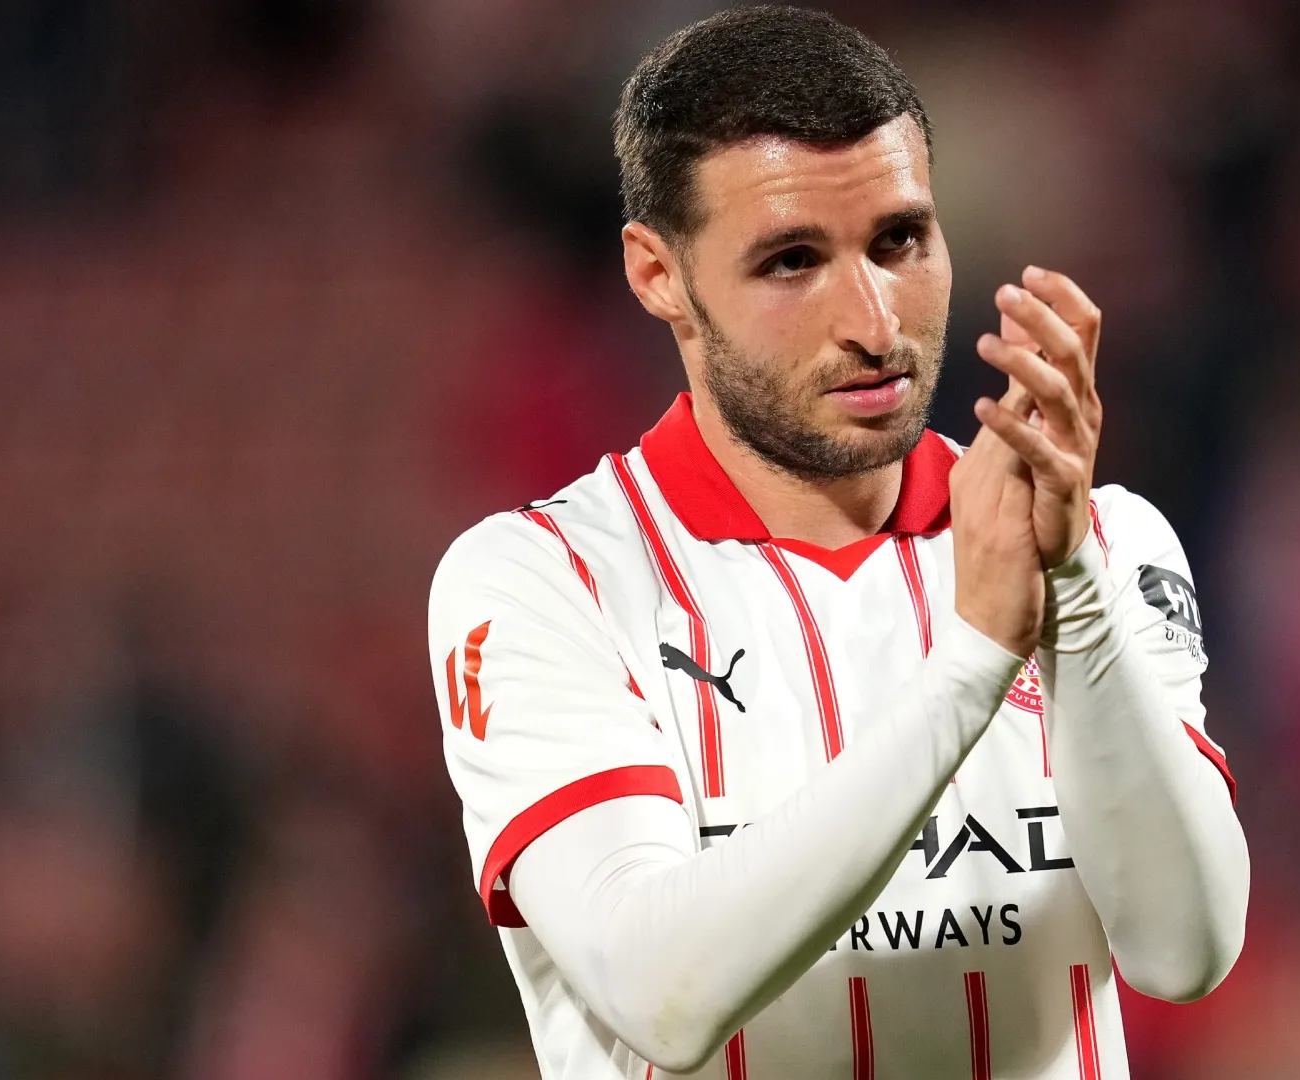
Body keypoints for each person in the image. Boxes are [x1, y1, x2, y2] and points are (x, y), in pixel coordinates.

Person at [428, 7, 1249, 1077]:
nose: (873, 321)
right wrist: (974, 661)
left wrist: (1077, 600)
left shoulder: (1100, 542)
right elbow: (659, 994)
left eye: (899, 242)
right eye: (791, 261)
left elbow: (1185, 951)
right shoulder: (549, 582)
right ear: (658, 273)